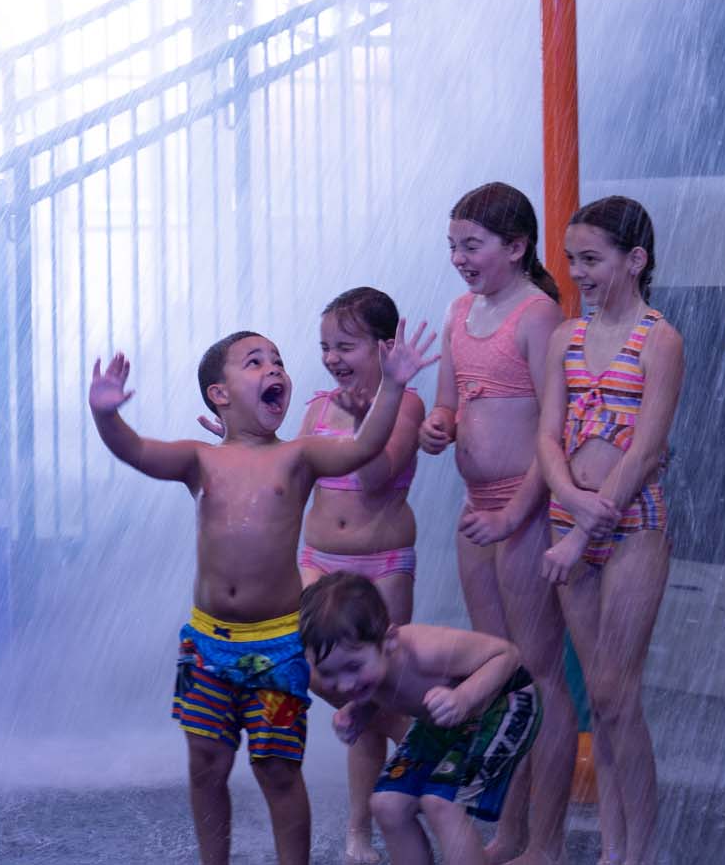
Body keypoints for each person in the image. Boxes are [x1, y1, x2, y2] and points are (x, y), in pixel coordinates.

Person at [89, 324, 437, 865]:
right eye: (254, 362)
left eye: (278, 361)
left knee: (277, 770)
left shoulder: (298, 457)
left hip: (277, 647)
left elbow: (367, 445)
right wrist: (107, 416)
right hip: (208, 646)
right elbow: (135, 451)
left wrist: (392, 386)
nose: (274, 369)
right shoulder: (199, 460)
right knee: (206, 766)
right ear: (219, 395)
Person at [419, 181, 574, 865]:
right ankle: (507, 829)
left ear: (516, 247)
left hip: (524, 508)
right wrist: (435, 426)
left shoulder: (537, 314)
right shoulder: (459, 312)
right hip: (476, 511)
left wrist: (516, 511)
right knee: (496, 672)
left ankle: (544, 839)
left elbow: (554, 423)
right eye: (452, 245)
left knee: (539, 673)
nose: (458, 258)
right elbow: (448, 403)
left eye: (471, 245)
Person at [537, 196, 683, 865]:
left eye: (590, 259)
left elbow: (648, 448)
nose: (577, 272)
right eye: (571, 260)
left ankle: (636, 851)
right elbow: (547, 435)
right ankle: (613, 851)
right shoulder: (564, 338)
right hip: (571, 515)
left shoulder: (659, 339)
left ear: (635, 260)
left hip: (630, 527)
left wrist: (590, 518)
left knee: (618, 692)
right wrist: (568, 499)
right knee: (598, 694)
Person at [296, 288, 426, 865]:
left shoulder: (408, 404)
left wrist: (364, 417)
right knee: (332, 678)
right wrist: (237, 446)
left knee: (372, 686)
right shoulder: (318, 407)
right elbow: (290, 476)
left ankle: (359, 832)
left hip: (382, 567)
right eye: (325, 346)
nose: (332, 358)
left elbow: (376, 478)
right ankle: (431, 746)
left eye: (344, 345)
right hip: (319, 562)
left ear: (383, 346)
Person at [301, 571, 540, 865]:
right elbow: (383, 692)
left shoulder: (426, 649)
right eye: (329, 674)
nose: (345, 685)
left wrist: (463, 697)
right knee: (387, 804)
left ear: (388, 640)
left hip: (506, 703)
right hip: (447, 721)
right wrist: (357, 713)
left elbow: (507, 655)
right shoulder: (370, 670)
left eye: (352, 667)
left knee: (441, 801)